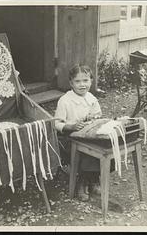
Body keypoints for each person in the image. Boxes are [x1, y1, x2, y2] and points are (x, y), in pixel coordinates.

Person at [55, 64, 102, 202]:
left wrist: (92, 118)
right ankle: (82, 182)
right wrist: (71, 126)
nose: (82, 85)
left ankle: (93, 179)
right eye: (77, 81)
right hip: (68, 138)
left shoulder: (92, 98)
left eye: (86, 80)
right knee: (85, 152)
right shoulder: (65, 101)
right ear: (71, 83)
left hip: (87, 135)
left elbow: (98, 115)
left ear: (91, 81)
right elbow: (56, 124)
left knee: (102, 147)